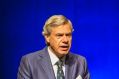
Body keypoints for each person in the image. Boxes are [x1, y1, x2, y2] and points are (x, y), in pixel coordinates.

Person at [17, 15, 90, 79]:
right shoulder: (29, 62)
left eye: (68, 35)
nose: (65, 40)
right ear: (47, 37)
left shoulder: (81, 62)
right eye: (59, 35)